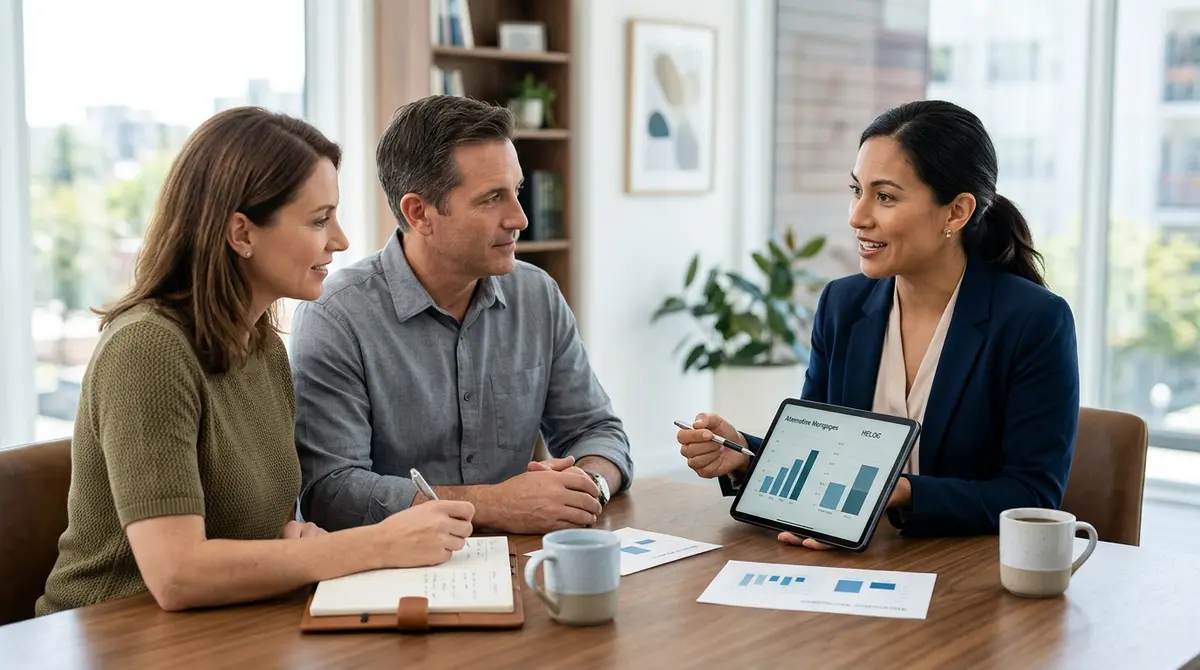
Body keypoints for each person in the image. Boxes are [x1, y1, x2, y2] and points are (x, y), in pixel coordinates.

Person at [36, 107, 475, 616]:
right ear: (241, 234)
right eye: (319, 220)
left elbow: (258, 532)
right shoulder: (146, 349)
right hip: (110, 633)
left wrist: (295, 543)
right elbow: (177, 574)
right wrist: (376, 544)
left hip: (224, 626)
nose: (340, 240)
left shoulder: (263, 347)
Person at [677, 100, 1080, 547]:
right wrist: (744, 453)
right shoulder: (842, 305)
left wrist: (902, 492)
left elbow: (1033, 495)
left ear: (956, 212)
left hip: (964, 570)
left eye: (885, 197)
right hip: (856, 562)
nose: (857, 216)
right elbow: (816, 451)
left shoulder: (1034, 321)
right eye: (857, 190)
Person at [289, 95, 632, 535]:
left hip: (522, 557)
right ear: (419, 213)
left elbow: (597, 430)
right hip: (396, 567)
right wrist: (494, 504)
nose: (520, 219)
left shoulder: (537, 295)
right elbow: (331, 492)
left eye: (516, 191)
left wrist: (588, 486)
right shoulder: (336, 316)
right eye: (492, 198)